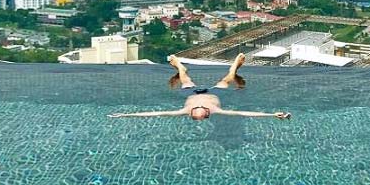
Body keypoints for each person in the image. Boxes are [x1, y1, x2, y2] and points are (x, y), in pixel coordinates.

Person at [108, 53, 291, 121]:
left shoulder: (186, 110)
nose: (199, 111)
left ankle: (180, 66)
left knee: (184, 77)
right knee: (227, 78)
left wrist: (126, 114)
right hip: (213, 94)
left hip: (192, 93)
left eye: (197, 113)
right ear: (206, 112)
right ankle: (234, 66)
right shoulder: (214, 111)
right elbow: (243, 113)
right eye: (202, 113)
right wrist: (272, 114)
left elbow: (157, 113)